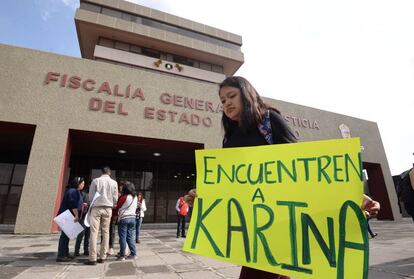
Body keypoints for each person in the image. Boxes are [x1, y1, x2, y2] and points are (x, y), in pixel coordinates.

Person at [217, 76, 381, 279]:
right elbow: (226, 181)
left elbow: (305, 167)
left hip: (281, 217)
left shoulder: (269, 121)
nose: (227, 103)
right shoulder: (229, 138)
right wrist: (203, 194)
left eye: (231, 96)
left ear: (247, 94)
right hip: (252, 220)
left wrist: (350, 195)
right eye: (223, 101)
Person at [84, 166, 118, 265]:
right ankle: (103, 256)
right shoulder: (114, 183)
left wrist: (92, 203)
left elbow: (91, 196)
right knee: (106, 231)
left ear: (101, 172)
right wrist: (112, 202)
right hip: (108, 208)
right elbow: (115, 198)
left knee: (94, 232)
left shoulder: (95, 181)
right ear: (109, 173)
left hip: (96, 207)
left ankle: (92, 258)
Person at [56, 177, 85, 262]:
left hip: (68, 215)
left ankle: (65, 253)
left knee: (67, 236)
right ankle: (61, 255)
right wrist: (76, 215)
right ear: (77, 183)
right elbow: (73, 204)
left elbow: (76, 203)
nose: (83, 185)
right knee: (64, 236)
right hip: (67, 216)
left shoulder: (74, 191)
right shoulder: (73, 191)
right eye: (82, 183)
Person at [116, 181, 138, 260]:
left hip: (124, 218)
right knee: (130, 237)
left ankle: (122, 255)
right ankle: (133, 253)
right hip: (133, 218)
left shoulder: (124, 197)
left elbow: (118, 206)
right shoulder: (135, 197)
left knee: (122, 237)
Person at [108, 182, 124, 256]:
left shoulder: (124, 195)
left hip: (118, 214)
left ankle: (123, 250)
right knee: (111, 230)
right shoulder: (113, 193)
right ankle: (110, 247)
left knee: (120, 232)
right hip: (112, 214)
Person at [74, 183, 90, 256]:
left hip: (90, 217)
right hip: (83, 216)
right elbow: (78, 203)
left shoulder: (95, 195)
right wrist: (83, 204)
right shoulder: (83, 193)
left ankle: (86, 250)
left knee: (88, 235)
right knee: (81, 234)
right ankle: (76, 251)